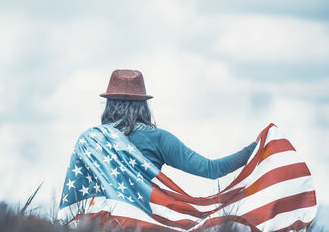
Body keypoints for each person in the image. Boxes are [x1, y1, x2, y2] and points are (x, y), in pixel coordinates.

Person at [99, 69, 257, 179]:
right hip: (141, 221)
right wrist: (256, 147)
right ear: (143, 105)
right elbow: (212, 169)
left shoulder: (93, 139)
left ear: (109, 104)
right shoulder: (159, 138)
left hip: (98, 222)